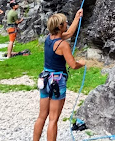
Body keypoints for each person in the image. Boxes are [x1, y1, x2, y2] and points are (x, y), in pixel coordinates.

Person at [33, 9, 84, 141]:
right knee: (53, 120)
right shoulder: (63, 45)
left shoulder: (48, 38)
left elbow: (70, 33)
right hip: (57, 81)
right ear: (60, 26)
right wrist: (82, 63)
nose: (67, 24)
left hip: (44, 79)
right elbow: (73, 65)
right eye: (65, 22)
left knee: (41, 116)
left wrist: (77, 17)